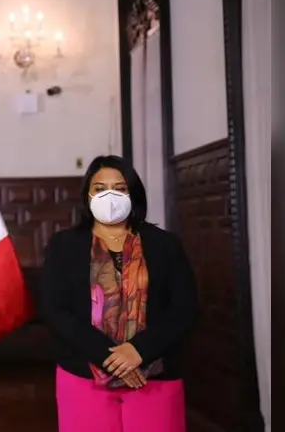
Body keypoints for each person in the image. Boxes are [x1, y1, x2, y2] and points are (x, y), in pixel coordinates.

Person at [40, 154, 199, 432]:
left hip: (154, 377)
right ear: (87, 195)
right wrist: (112, 358)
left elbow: (184, 310)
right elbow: (56, 311)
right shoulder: (64, 246)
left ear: (133, 194)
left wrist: (139, 351)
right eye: (100, 188)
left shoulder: (165, 245)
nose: (110, 195)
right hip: (84, 377)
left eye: (120, 188)